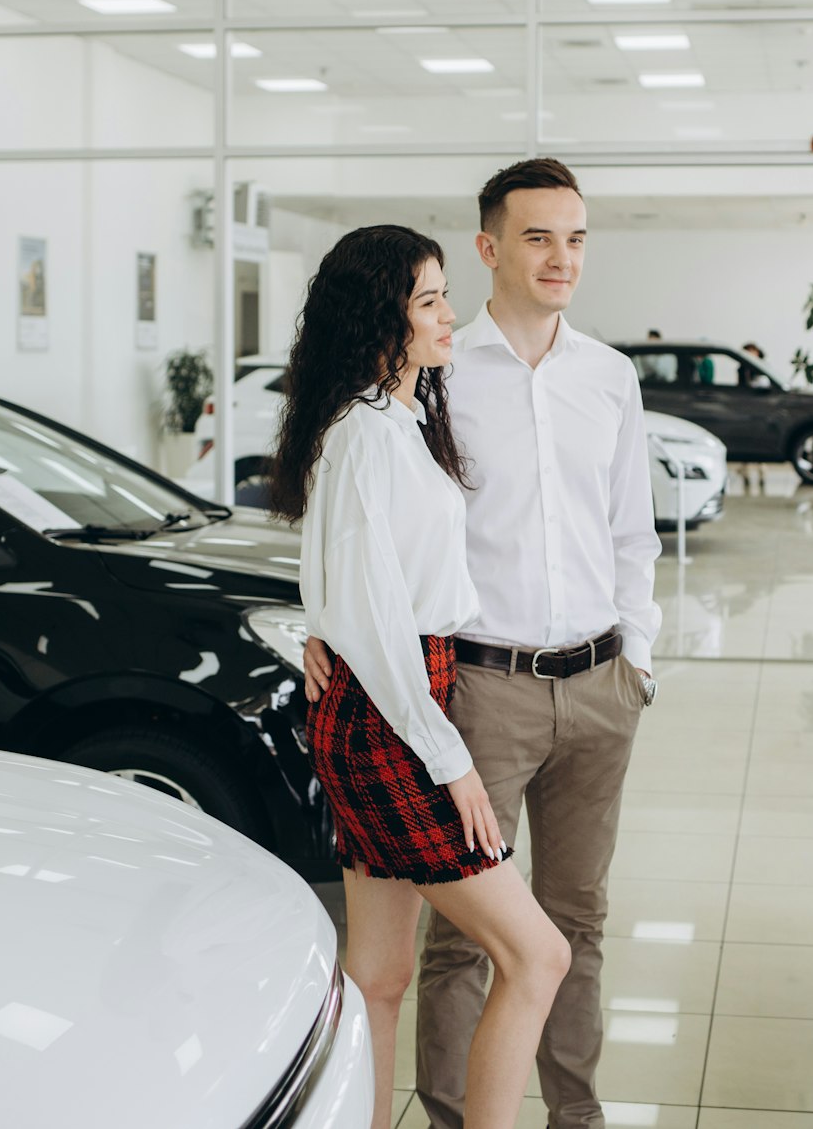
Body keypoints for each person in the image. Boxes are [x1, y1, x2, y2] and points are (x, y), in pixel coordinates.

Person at [305, 159, 661, 1129]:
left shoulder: (608, 376)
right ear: (488, 248)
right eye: (538, 236)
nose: (560, 257)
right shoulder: (431, 381)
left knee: (573, 921)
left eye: (575, 237)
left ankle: (572, 1113)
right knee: (466, 945)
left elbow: (633, 530)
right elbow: (359, 523)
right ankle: (456, 1116)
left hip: (597, 681)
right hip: (475, 685)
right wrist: (320, 623)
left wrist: (640, 658)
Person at [269, 224, 571, 1129]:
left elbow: (351, 579)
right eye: (430, 300)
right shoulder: (367, 431)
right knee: (539, 955)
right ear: (381, 325)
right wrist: (451, 759)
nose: (448, 314)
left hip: (386, 701)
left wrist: (316, 625)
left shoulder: (390, 421)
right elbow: (376, 618)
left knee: (380, 974)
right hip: (392, 716)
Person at [736, 342, 770, 494]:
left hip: (761, 408)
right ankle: (745, 467)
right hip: (745, 407)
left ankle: (762, 466)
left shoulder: (763, 367)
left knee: (761, 436)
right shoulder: (742, 369)